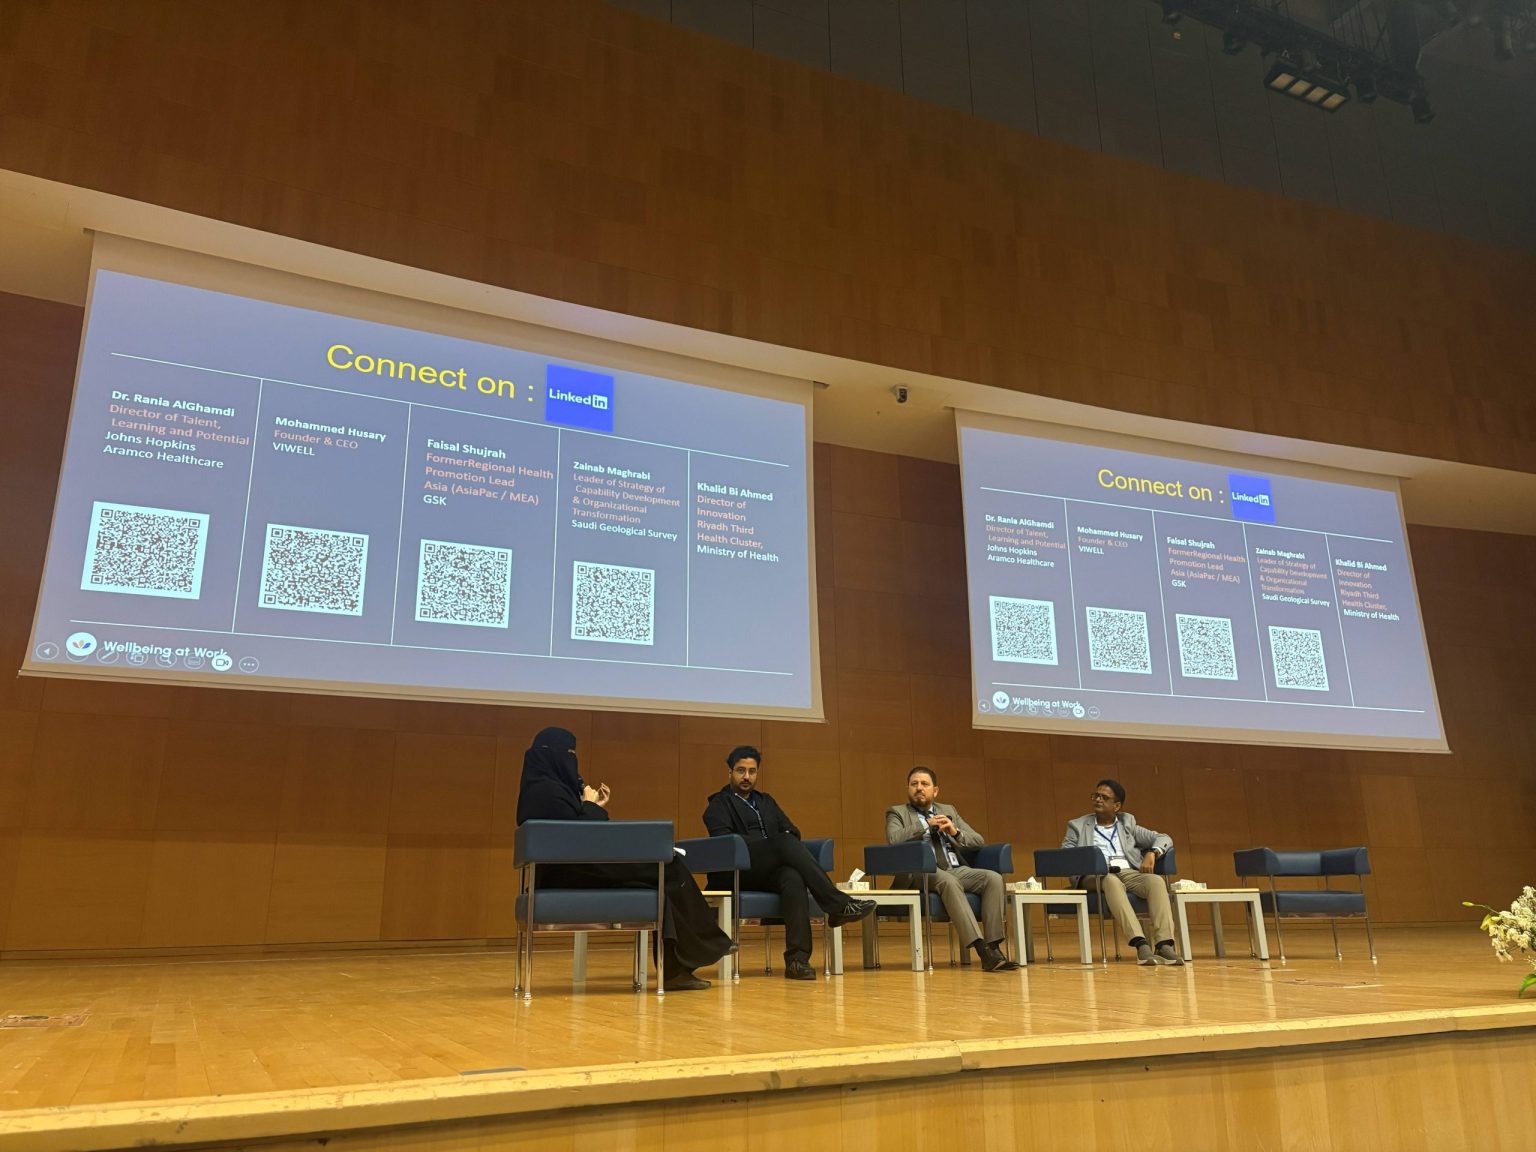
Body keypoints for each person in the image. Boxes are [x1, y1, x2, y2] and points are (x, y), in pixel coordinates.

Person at [516, 726, 734, 991]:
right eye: (568, 753)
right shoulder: (545, 792)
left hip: (577, 867)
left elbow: (580, 833)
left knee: (663, 879)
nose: (572, 759)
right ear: (551, 754)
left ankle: (676, 970)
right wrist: (590, 806)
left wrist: (591, 807)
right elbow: (576, 839)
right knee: (668, 865)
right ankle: (709, 941)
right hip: (569, 872)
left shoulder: (545, 787)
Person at [703, 745, 876, 981]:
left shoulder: (766, 801)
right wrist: (771, 844)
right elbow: (725, 843)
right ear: (730, 773)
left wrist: (776, 845)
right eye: (741, 770)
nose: (746, 777)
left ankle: (797, 960)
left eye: (752, 771)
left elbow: (792, 830)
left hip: (768, 871)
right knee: (783, 843)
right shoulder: (718, 805)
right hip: (736, 871)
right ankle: (837, 904)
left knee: (792, 878)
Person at [884, 766, 1017, 971]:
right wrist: (925, 825)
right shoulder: (897, 812)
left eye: (924, 784)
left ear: (935, 790)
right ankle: (981, 949)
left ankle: (994, 947)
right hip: (920, 871)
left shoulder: (949, 811)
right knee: (948, 881)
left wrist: (954, 832)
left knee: (993, 878)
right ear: (908, 788)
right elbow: (894, 839)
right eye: (914, 784)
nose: (919, 788)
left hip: (954, 868)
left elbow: (978, 840)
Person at [1062, 779, 1183, 966]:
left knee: (1156, 882)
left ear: (1116, 806)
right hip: (1095, 875)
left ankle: (1164, 944)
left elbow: (1163, 837)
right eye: (1096, 796)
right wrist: (1089, 862)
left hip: (1127, 871)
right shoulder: (1077, 825)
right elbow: (1066, 855)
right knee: (1111, 881)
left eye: (1104, 797)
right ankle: (1140, 943)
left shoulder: (1127, 823)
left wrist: (1153, 852)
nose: (1098, 800)